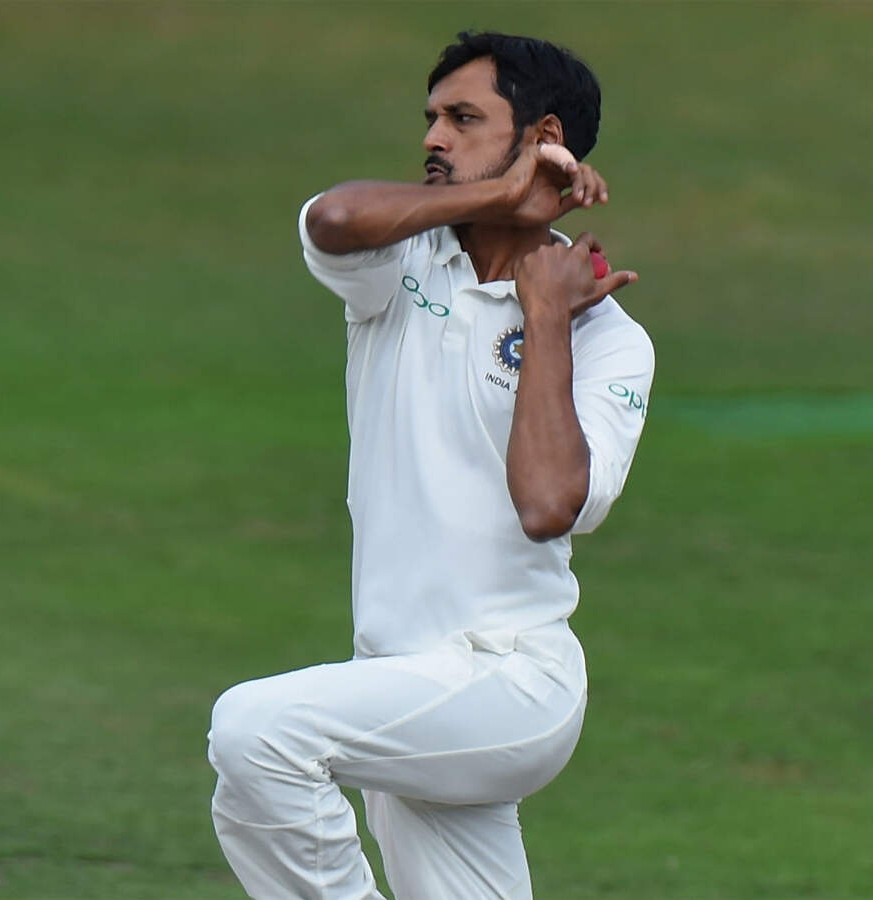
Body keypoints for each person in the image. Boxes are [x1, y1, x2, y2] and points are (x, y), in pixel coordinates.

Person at [207, 30, 654, 900]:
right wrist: (501, 192)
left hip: (509, 680)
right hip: (400, 683)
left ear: (544, 135)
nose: (433, 139)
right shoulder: (404, 261)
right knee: (254, 779)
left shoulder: (609, 338)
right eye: (431, 118)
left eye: (463, 118)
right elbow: (333, 220)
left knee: (256, 734)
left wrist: (547, 320)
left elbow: (548, 504)